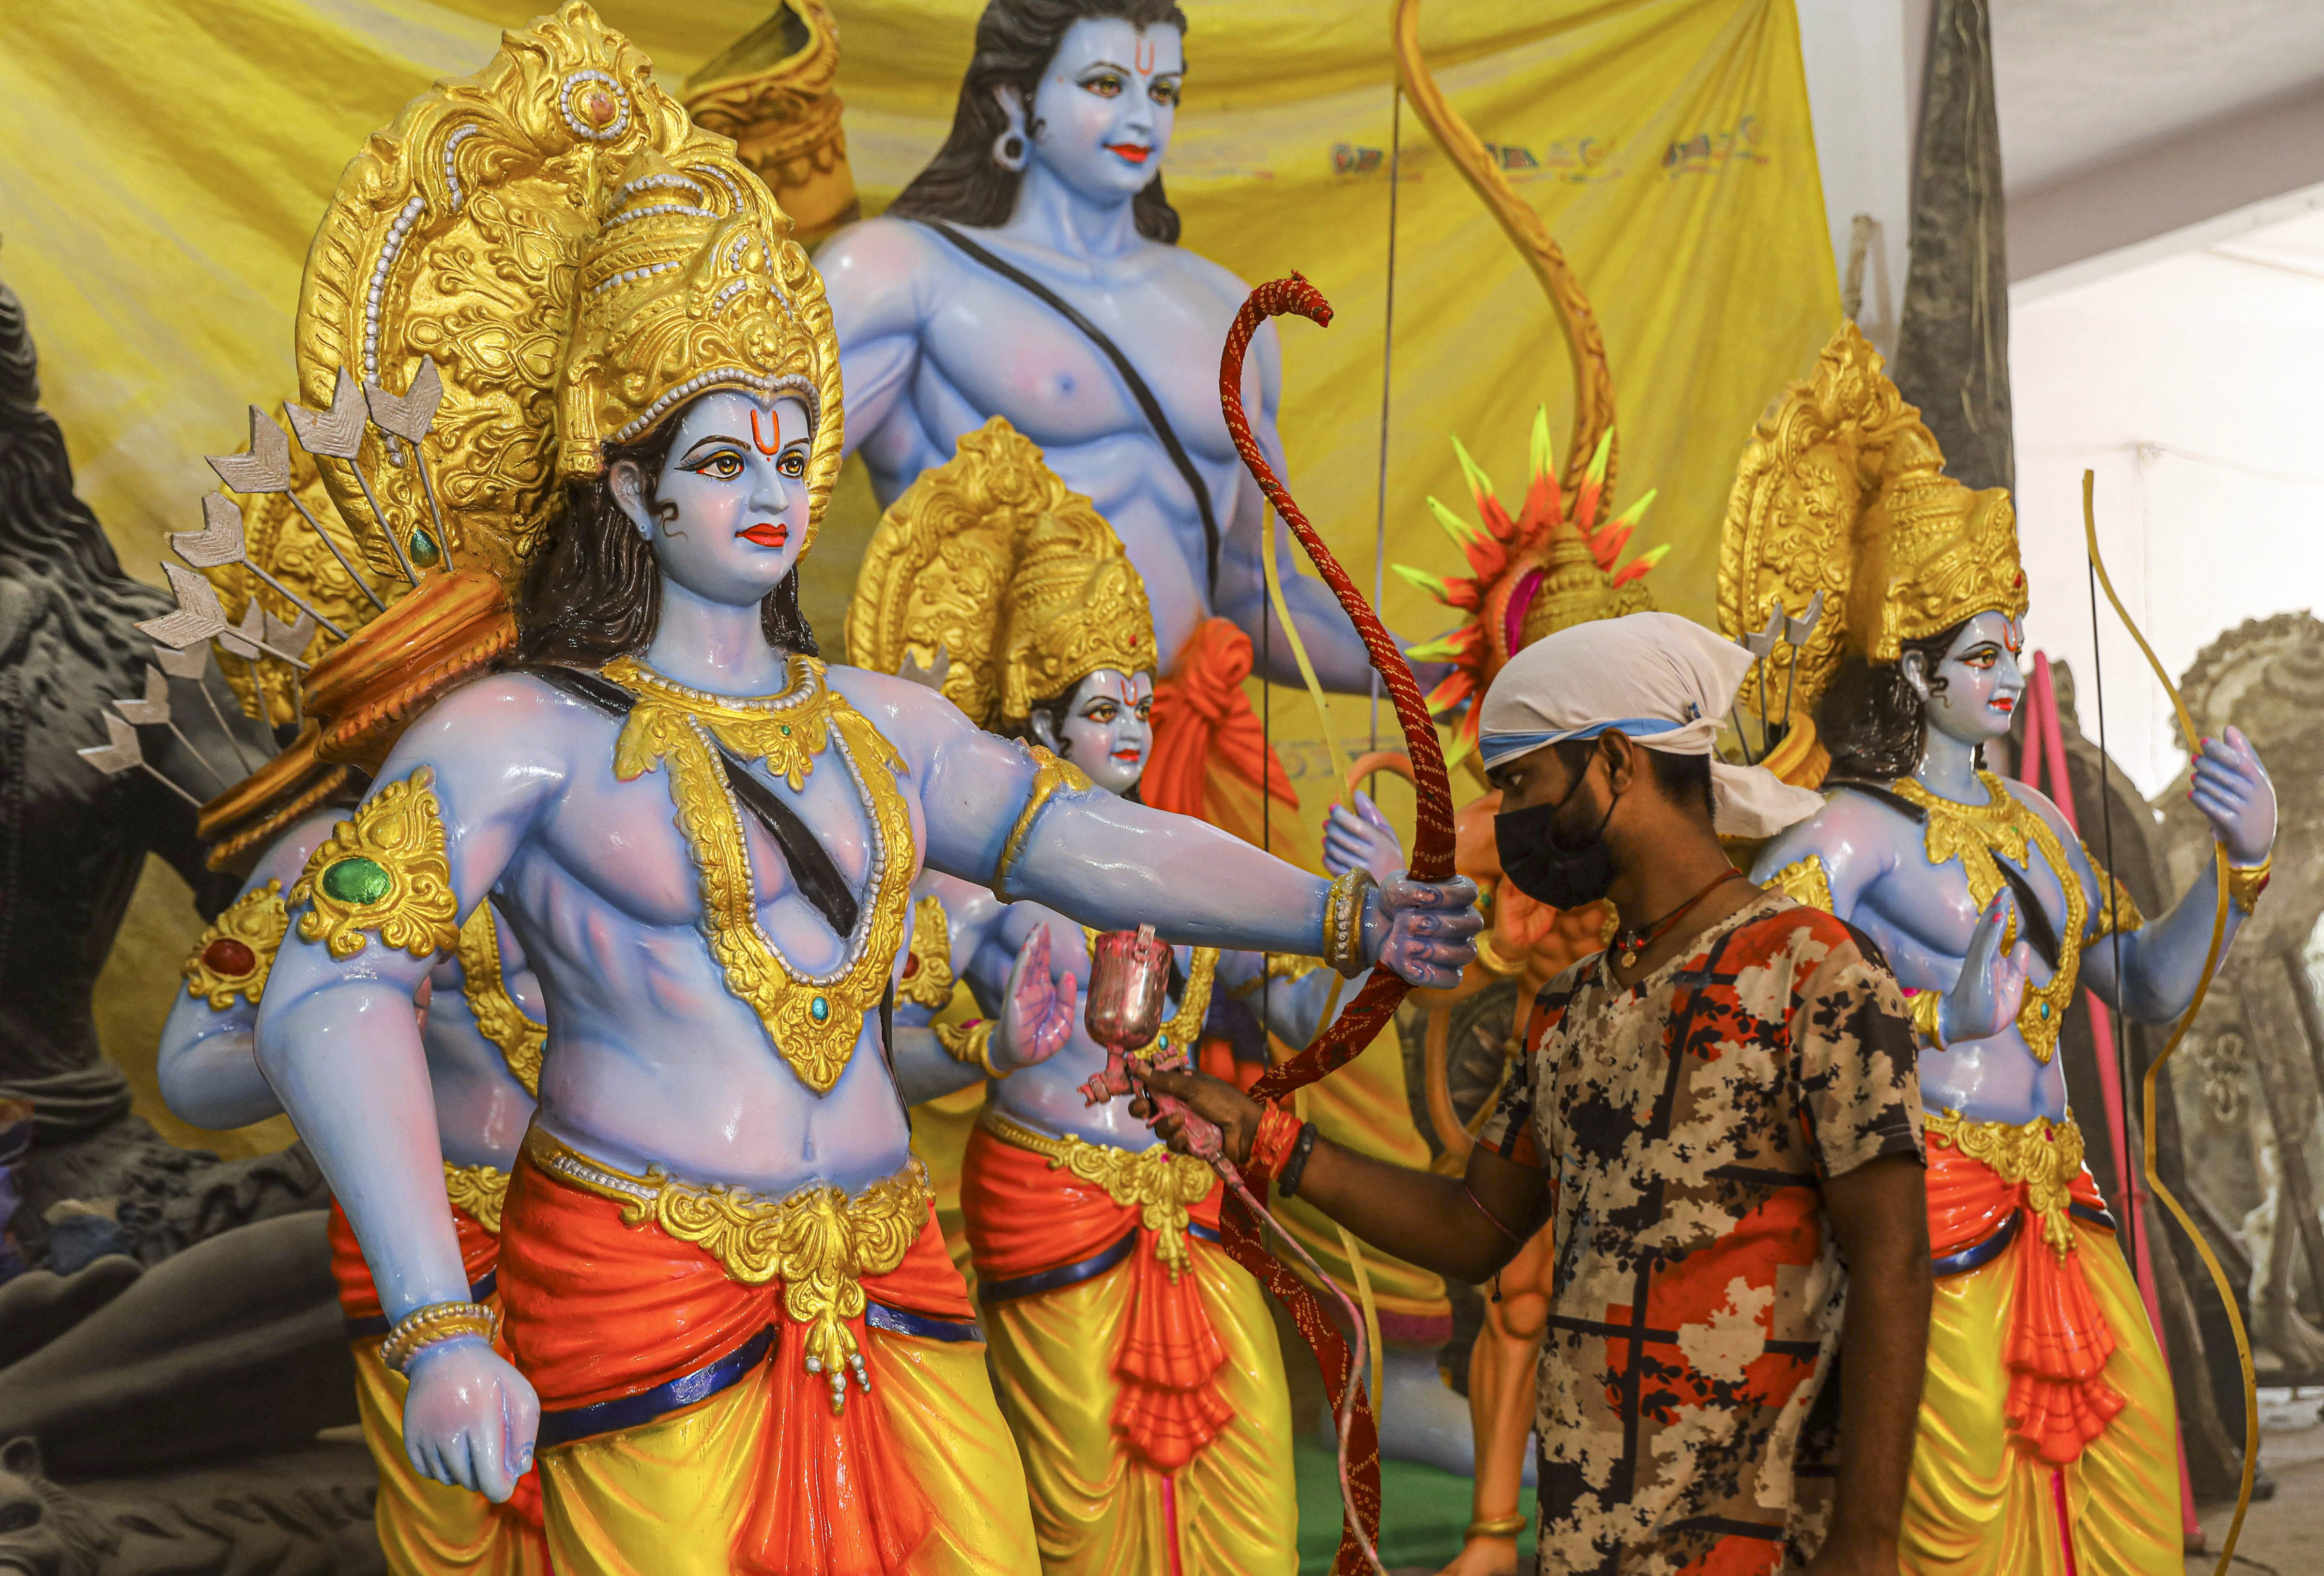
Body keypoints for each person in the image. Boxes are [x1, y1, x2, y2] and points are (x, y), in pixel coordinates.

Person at [244, 14, 1479, 1573]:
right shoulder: (515, 735)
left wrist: (1342, 914)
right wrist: (437, 1324)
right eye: (722, 461)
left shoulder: (883, 727)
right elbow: (329, 987)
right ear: (631, 486)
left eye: (789, 455)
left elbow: (1082, 838)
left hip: (894, 1268)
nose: (772, 492)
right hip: (641, 1279)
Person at [1143, 611, 1938, 1575]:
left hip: (1766, 1547)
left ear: (1614, 763)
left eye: (1520, 783)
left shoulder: (1815, 969)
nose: (1508, 816)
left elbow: (1894, 1260)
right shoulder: (1568, 1005)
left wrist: (1868, 1545)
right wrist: (1265, 1138)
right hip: (1591, 1540)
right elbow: (1477, 1224)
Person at [1732, 326, 2278, 1576]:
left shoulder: (2035, 819)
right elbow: (1754, 998)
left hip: (2062, 1202)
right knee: (1958, 1507)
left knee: (2127, 1473)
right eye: (1982, 653)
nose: (2012, 671)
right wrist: (1933, 1021)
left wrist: (2236, 868)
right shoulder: (1847, 832)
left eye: (2015, 643)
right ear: (1914, 670)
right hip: (1929, 1206)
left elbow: (2143, 983)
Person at [848, 419, 1404, 1574]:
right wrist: (994, 1046)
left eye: (1143, 707)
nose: (1134, 730)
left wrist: (1373, 918)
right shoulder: (981, 883)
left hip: (1187, 1201)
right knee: (1083, 1515)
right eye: (1103, 711)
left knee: (1253, 1503)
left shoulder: (1187, 871)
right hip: (1050, 1200)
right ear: (1039, 721)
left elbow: (1306, 1025)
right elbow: (876, 1057)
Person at [162, 804, 552, 1575]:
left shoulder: (642, 803)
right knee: (455, 1516)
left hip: (646, 1225)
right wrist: (324, 1032)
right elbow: (191, 1069)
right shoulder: (330, 852)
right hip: (430, 1223)